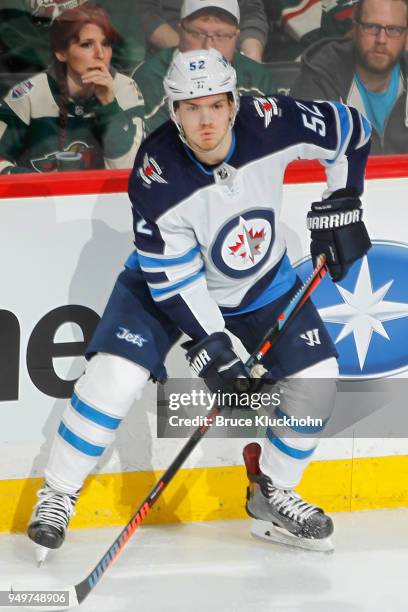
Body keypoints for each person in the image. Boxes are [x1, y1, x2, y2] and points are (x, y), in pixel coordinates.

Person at [27, 47, 371, 561]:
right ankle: (57, 492)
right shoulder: (156, 172)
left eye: (214, 105)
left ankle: (270, 492)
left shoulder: (273, 122)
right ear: (172, 111)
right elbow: (175, 279)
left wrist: (342, 202)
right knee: (115, 378)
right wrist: (216, 349)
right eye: (191, 108)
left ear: (234, 102)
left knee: (318, 377)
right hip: (163, 289)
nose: (205, 120)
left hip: (259, 283)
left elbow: (353, 130)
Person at [0, 4, 144, 173]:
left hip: (105, 198)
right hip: (40, 197)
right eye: (87, 45)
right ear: (61, 53)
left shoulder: (125, 89)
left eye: (106, 44)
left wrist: (109, 104)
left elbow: (129, 171)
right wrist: (40, 186)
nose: (100, 54)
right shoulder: (30, 94)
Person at [132, 0, 277, 135]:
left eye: (221, 35)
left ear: (236, 37)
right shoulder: (149, 79)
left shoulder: (257, 79)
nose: (208, 47)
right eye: (198, 34)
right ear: (181, 32)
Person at [292, 0, 408, 155]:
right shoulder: (318, 79)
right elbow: (304, 165)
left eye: (393, 29)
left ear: (406, 37)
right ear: (355, 27)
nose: (381, 39)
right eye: (372, 27)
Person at [139, 0, 268, 61]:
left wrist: (252, 57)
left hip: (228, 56)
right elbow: (145, 14)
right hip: (169, 58)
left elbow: (251, 11)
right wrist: (186, 49)